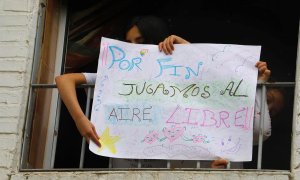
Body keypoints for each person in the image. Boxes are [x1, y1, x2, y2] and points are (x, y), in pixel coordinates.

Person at [56, 25, 284, 168]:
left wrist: (185, 49)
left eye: (141, 40)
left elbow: (207, 76)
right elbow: (64, 80)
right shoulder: (122, 75)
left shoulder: (185, 80)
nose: (135, 47)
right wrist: (80, 120)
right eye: (131, 42)